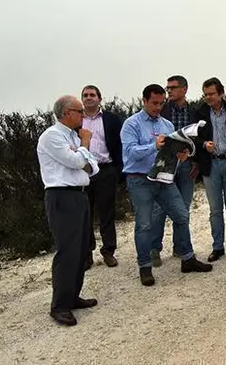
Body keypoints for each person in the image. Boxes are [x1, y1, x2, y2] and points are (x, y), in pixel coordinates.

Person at [121, 84, 212, 286]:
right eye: (154, 103)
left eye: (162, 103)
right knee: (144, 224)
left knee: (181, 215)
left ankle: (187, 258)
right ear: (144, 101)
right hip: (140, 179)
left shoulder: (167, 125)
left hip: (164, 177)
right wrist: (153, 146)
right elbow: (129, 153)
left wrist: (182, 154)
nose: (158, 107)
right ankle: (145, 266)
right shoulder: (131, 124)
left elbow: (172, 152)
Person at [37, 95, 99, 326]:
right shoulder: (52, 135)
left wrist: (81, 153)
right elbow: (76, 162)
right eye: (79, 111)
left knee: (82, 248)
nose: (83, 115)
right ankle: (60, 306)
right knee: (67, 250)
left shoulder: (73, 136)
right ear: (66, 113)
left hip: (80, 195)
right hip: (61, 195)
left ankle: (73, 296)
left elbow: (93, 167)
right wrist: (84, 146)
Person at [149, 75, 200, 266]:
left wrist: (196, 161)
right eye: (167, 88)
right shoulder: (161, 110)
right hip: (166, 163)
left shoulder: (195, 112)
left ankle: (181, 248)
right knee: (159, 208)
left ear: (184, 89)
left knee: (183, 208)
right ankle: (154, 249)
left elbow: (199, 138)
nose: (169, 91)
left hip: (186, 165)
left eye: (173, 87)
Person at [195, 77, 226, 262]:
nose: (208, 97)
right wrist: (203, 144)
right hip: (210, 164)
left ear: (221, 93)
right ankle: (217, 247)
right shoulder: (199, 113)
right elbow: (193, 137)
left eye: (212, 94)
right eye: (205, 94)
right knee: (215, 209)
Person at [81, 84, 123, 269]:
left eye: (92, 95)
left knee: (107, 213)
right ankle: (86, 254)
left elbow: (120, 144)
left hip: (106, 170)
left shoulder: (111, 119)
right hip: (83, 171)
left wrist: (118, 169)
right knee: (84, 213)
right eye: (85, 95)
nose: (89, 97)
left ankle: (108, 251)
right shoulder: (76, 120)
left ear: (99, 98)